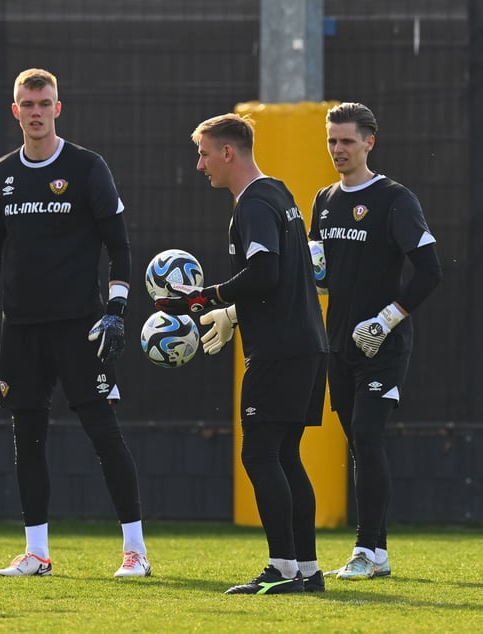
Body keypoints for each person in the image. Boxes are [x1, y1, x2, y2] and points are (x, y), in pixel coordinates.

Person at [0, 68, 150, 578]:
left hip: (81, 325)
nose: (37, 111)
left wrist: (116, 310)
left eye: (45, 102)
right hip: (21, 328)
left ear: (58, 108)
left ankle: (135, 551)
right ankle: (37, 553)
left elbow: (120, 247)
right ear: (15, 110)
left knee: (103, 433)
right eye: (28, 103)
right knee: (28, 437)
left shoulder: (89, 168)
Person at [157, 113, 328, 594]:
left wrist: (203, 298)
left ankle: (282, 568)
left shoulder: (253, 204)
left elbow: (265, 273)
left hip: (279, 351)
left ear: (228, 152)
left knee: (259, 455)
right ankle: (307, 572)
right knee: (286, 457)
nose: (199, 165)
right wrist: (234, 315)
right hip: (307, 345)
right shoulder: (278, 192)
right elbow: (284, 275)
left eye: (204, 153)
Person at [309, 102, 442, 581]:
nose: (338, 149)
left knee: (367, 436)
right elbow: (318, 277)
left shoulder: (394, 199)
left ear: (370, 142)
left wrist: (387, 319)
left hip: (383, 344)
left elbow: (431, 271)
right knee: (357, 444)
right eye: (331, 140)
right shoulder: (323, 200)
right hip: (340, 345)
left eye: (346, 140)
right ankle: (375, 553)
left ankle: (371, 550)